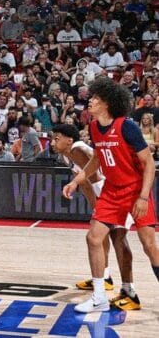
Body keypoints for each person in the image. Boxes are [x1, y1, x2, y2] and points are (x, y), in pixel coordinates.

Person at [63, 77, 159, 313]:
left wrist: (143, 197)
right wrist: (78, 179)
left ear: (107, 103)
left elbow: (148, 164)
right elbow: (98, 157)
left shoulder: (127, 126)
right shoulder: (94, 127)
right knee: (94, 237)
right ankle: (99, 297)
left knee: (148, 245)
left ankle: (132, 289)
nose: (90, 101)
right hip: (112, 191)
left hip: (136, 190)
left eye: (95, 98)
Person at [51, 124, 138, 310]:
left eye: (56, 138)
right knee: (100, 237)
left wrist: (101, 204)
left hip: (118, 192)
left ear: (69, 140)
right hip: (107, 195)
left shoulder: (77, 149)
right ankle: (105, 277)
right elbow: (85, 183)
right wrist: (95, 207)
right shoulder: (68, 155)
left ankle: (129, 290)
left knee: (118, 239)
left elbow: (97, 175)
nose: (52, 142)